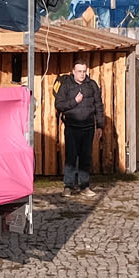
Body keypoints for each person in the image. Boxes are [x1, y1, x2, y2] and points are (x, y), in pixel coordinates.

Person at [54, 65, 105, 195]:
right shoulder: (66, 85)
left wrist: (100, 126)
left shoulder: (91, 85)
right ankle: (68, 186)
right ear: (73, 72)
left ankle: (84, 186)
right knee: (70, 157)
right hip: (72, 127)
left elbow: (98, 106)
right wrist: (74, 101)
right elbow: (59, 104)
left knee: (85, 157)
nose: (82, 74)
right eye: (79, 71)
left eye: (84, 71)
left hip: (88, 127)